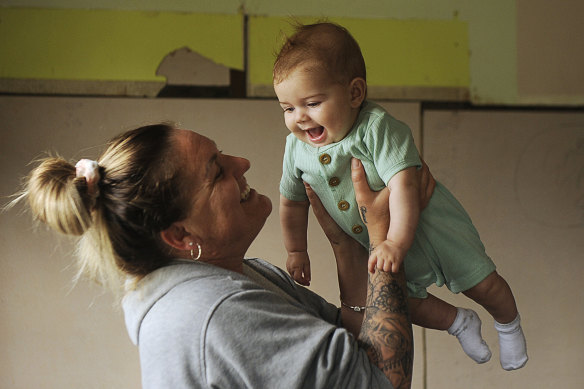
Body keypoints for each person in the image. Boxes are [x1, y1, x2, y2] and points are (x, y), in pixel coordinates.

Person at [18, 123, 436, 388]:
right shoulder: (219, 312)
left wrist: (346, 245)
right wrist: (385, 239)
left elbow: (354, 336)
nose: (242, 163)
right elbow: (382, 380)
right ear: (180, 235)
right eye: (217, 170)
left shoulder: (240, 278)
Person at [274, 22, 527, 370]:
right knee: (399, 301)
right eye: (287, 109)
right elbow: (292, 201)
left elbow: (406, 185)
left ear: (354, 93)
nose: (299, 118)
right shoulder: (295, 149)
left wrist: (395, 241)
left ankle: (508, 324)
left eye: (312, 103)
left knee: (482, 283)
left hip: (428, 226)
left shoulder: (376, 128)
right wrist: (296, 249)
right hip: (377, 243)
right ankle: (458, 322)